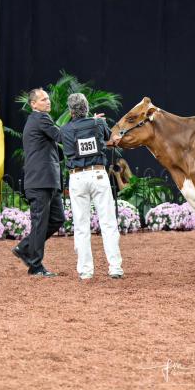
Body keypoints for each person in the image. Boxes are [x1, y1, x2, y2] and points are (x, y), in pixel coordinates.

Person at [61, 93, 124, 280]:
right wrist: (94, 121)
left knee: (81, 226)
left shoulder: (65, 130)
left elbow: (73, 148)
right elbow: (110, 139)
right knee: (108, 223)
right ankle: (115, 268)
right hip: (97, 174)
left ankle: (85, 271)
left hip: (77, 178)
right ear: (86, 107)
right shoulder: (98, 124)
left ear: (71, 111)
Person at [12, 88, 65, 277]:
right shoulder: (41, 119)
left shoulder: (38, 120)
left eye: (48, 98)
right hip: (41, 181)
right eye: (43, 100)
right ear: (33, 104)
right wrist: (86, 125)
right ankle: (35, 266)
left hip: (47, 180)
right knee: (40, 223)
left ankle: (24, 247)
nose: (48, 102)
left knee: (58, 219)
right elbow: (61, 136)